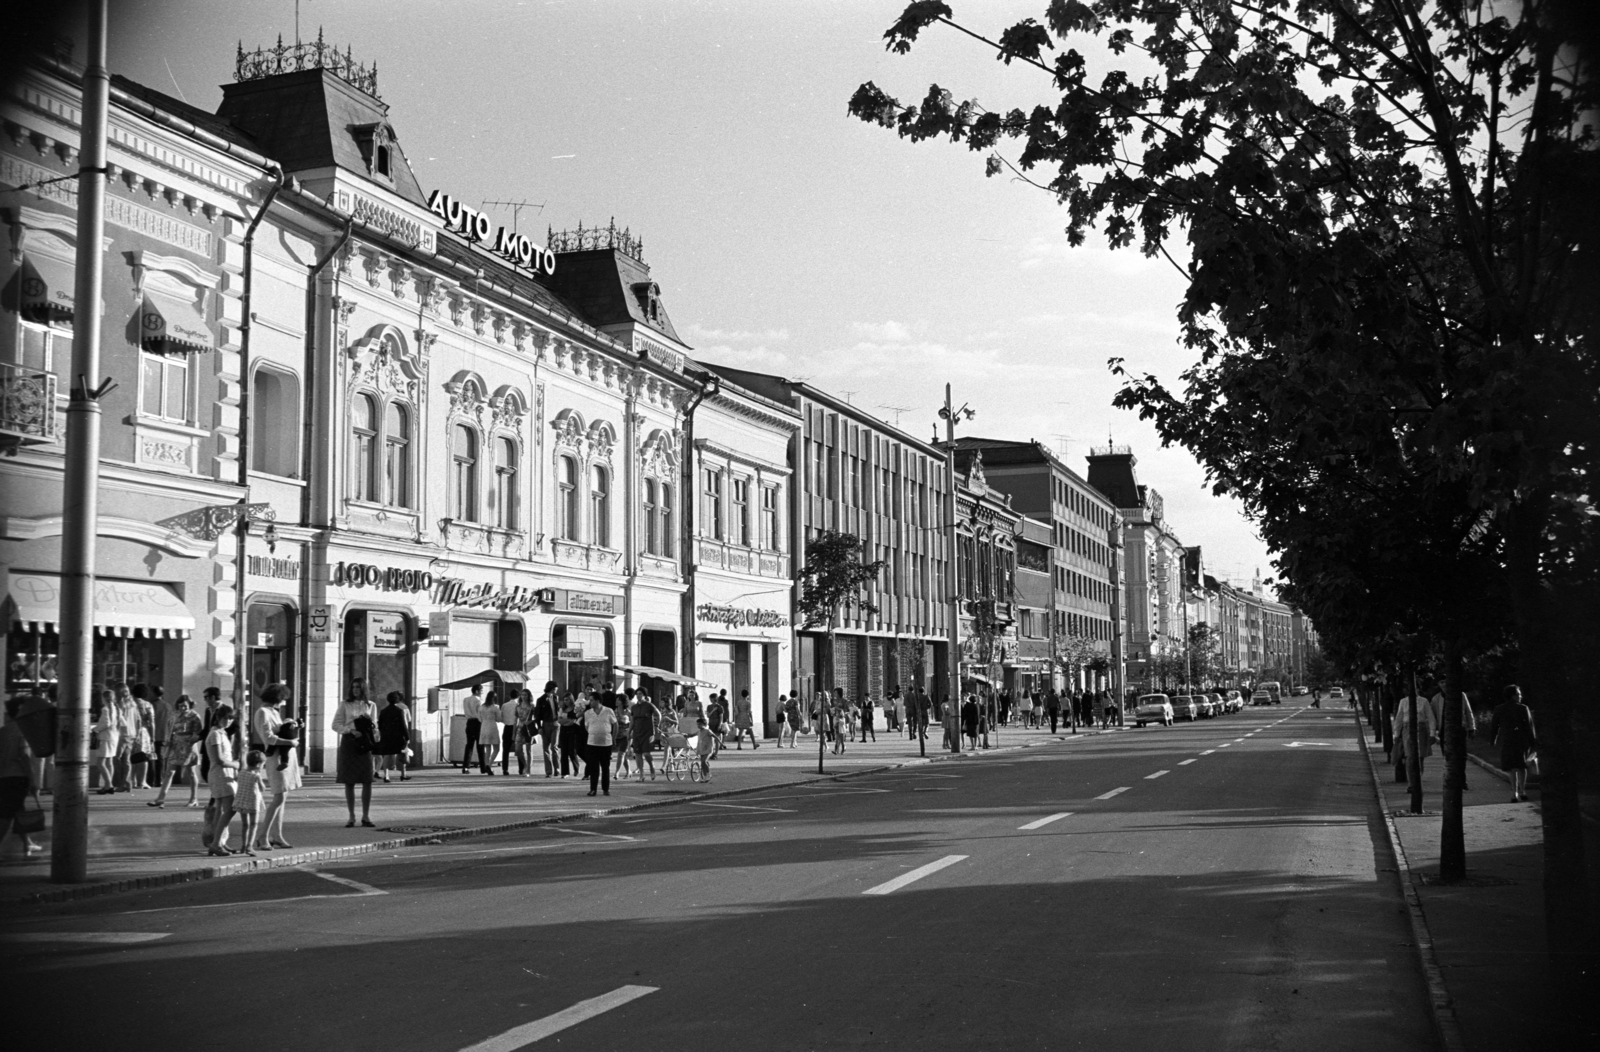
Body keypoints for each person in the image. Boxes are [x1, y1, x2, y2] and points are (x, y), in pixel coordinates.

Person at [0, 696, 42, 860]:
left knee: (18, 812)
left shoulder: (3, 731)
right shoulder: (21, 731)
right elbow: (23, 756)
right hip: (17, 778)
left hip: (3, 777)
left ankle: (27, 844)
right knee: (6, 816)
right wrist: (32, 780)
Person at [332, 686, 379, 828]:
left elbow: (375, 725)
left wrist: (369, 724)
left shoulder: (370, 705)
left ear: (364, 689)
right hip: (349, 742)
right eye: (353, 687)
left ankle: (366, 816)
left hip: (364, 742)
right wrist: (350, 730)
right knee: (349, 781)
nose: (355, 690)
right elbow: (335, 725)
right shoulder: (344, 704)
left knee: (367, 780)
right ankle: (351, 816)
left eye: (358, 687)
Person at [150, 695, 203, 808]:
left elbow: (197, 733)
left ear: (190, 705)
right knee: (169, 772)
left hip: (189, 746)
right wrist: (168, 744)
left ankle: (194, 799)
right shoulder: (174, 715)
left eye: (185, 706)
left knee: (191, 773)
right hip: (175, 745)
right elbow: (170, 730)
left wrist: (190, 742)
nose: (182, 708)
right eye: (180, 706)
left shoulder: (194, 716)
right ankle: (161, 798)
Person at [1489, 685, 1537, 803]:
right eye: (1518, 694)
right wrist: (1533, 742)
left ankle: (1514, 793)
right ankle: (1522, 791)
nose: (1520, 696)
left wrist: (1493, 740)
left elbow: (1494, 727)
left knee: (1513, 768)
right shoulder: (1523, 708)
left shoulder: (1499, 709)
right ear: (1513, 696)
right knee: (1522, 766)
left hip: (1507, 740)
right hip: (1522, 741)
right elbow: (1530, 727)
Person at [204, 705, 240, 856]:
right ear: (218, 718)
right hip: (220, 775)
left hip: (224, 774)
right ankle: (216, 843)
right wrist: (236, 764)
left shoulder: (221, 733)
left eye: (231, 718)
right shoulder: (215, 734)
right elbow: (219, 759)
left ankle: (219, 843)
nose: (229, 721)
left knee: (221, 810)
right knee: (229, 809)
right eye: (226, 718)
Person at [1392, 688, 1437, 783]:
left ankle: (1417, 780)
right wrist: (1396, 735)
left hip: (1421, 729)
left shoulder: (1424, 701)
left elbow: (1431, 718)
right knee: (1409, 756)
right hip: (1407, 729)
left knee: (1420, 757)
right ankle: (1411, 782)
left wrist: (1432, 734)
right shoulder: (1403, 701)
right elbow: (1399, 719)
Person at [582, 692, 617, 796]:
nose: (590, 702)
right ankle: (593, 789)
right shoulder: (587, 713)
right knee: (593, 767)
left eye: (592, 700)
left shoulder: (608, 711)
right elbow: (587, 727)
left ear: (597, 700)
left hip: (606, 743)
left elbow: (615, 724)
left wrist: (613, 738)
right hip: (592, 743)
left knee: (605, 767)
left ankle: (605, 789)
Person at [234, 751, 267, 857]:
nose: (262, 767)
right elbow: (263, 788)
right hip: (253, 802)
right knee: (253, 824)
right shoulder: (256, 776)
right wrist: (259, 778)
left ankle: (243, 845)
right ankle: (249, 846)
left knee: (245, 825)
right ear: (258, 765)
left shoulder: (242, 772)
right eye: (262, 765)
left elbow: (237, 780)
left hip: (242, 801)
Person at [377, 691, 412, 783]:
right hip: (399, 737)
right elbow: (404, 724)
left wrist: (383, 734)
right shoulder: (401, 710)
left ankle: (386, 776)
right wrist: (407, 737)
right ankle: (403, 774)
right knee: (403, 754)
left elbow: (380, 725)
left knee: (387, 756)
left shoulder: (383, 711)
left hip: (387, 737)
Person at [92, 689, 120, 794]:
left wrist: (95, 729)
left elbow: (106, 723)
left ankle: (108, 785)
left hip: (105, 738)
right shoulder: (116, 708)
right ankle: (108, 785)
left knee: (100, 762)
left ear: (104, 698)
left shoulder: (105, 709)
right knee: (109, 762)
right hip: (114, 737)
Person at [630, 691, 659, 779]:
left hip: (647, 733)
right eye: (637, 694)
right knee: (638, 754)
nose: (638, 696)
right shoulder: (634, 707)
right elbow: (632, 721)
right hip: (636, 733)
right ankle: (641, 774)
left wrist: (656, 726)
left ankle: (652, 768)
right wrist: (629, 732)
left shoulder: (649, 705)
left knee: (646, 754)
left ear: (644, 696)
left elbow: (658, 714)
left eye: (640, 694)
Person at [557, 694, 585, 777]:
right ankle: (565, 772)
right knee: (564, 752)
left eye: (567, 699)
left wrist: (567, 721)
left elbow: (574, 720)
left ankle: (576, 768)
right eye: (564, 700)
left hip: (572, 731)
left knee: (572, 751)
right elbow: (559, 720)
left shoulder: (575, 708)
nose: (566, 701)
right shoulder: (562, 709)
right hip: (563, 730)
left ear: (571, 700)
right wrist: (568, 720)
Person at [535, 682, 558, 777]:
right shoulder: (541, 700)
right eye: (556, 688)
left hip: (556, 723)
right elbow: (537, 715)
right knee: (546, 748)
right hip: (546, 724)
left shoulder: (556, 698)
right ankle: (549, 771)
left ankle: (557, 769)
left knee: (554, 747)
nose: (557, 689)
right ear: (552, 688)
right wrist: (539, 727)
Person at [458, 682, 482, 773]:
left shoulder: (465, 699)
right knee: (480, 746)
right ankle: (483, 767)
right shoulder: (478, 700)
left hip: (469, 722)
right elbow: (479, 713)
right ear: (477, 691)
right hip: (477, 722)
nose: (481, 693)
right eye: (481, 691)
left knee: (469, 745)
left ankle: (466, 766)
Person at [478, 692, 502, 775]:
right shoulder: (495, 707)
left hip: (484, 727)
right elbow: (499, 718)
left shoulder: (481, 707)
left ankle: (487, 764)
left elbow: (479, 719)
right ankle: (489, 764)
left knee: (487, 749)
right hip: (492, 727)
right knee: (496, 748)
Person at [513, 689, 535, 777]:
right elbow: (515, 720)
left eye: (525, 695)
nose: (523, 696)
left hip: (528, 728)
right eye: (522, 695)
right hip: (520, 728)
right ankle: (526, 765)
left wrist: (530, 722)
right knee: (518, 750)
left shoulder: (532, 706)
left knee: (528, 750)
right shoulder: (517, 706)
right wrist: (513, 732)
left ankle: (528, 770)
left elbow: (535, 718)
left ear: (529, 696)